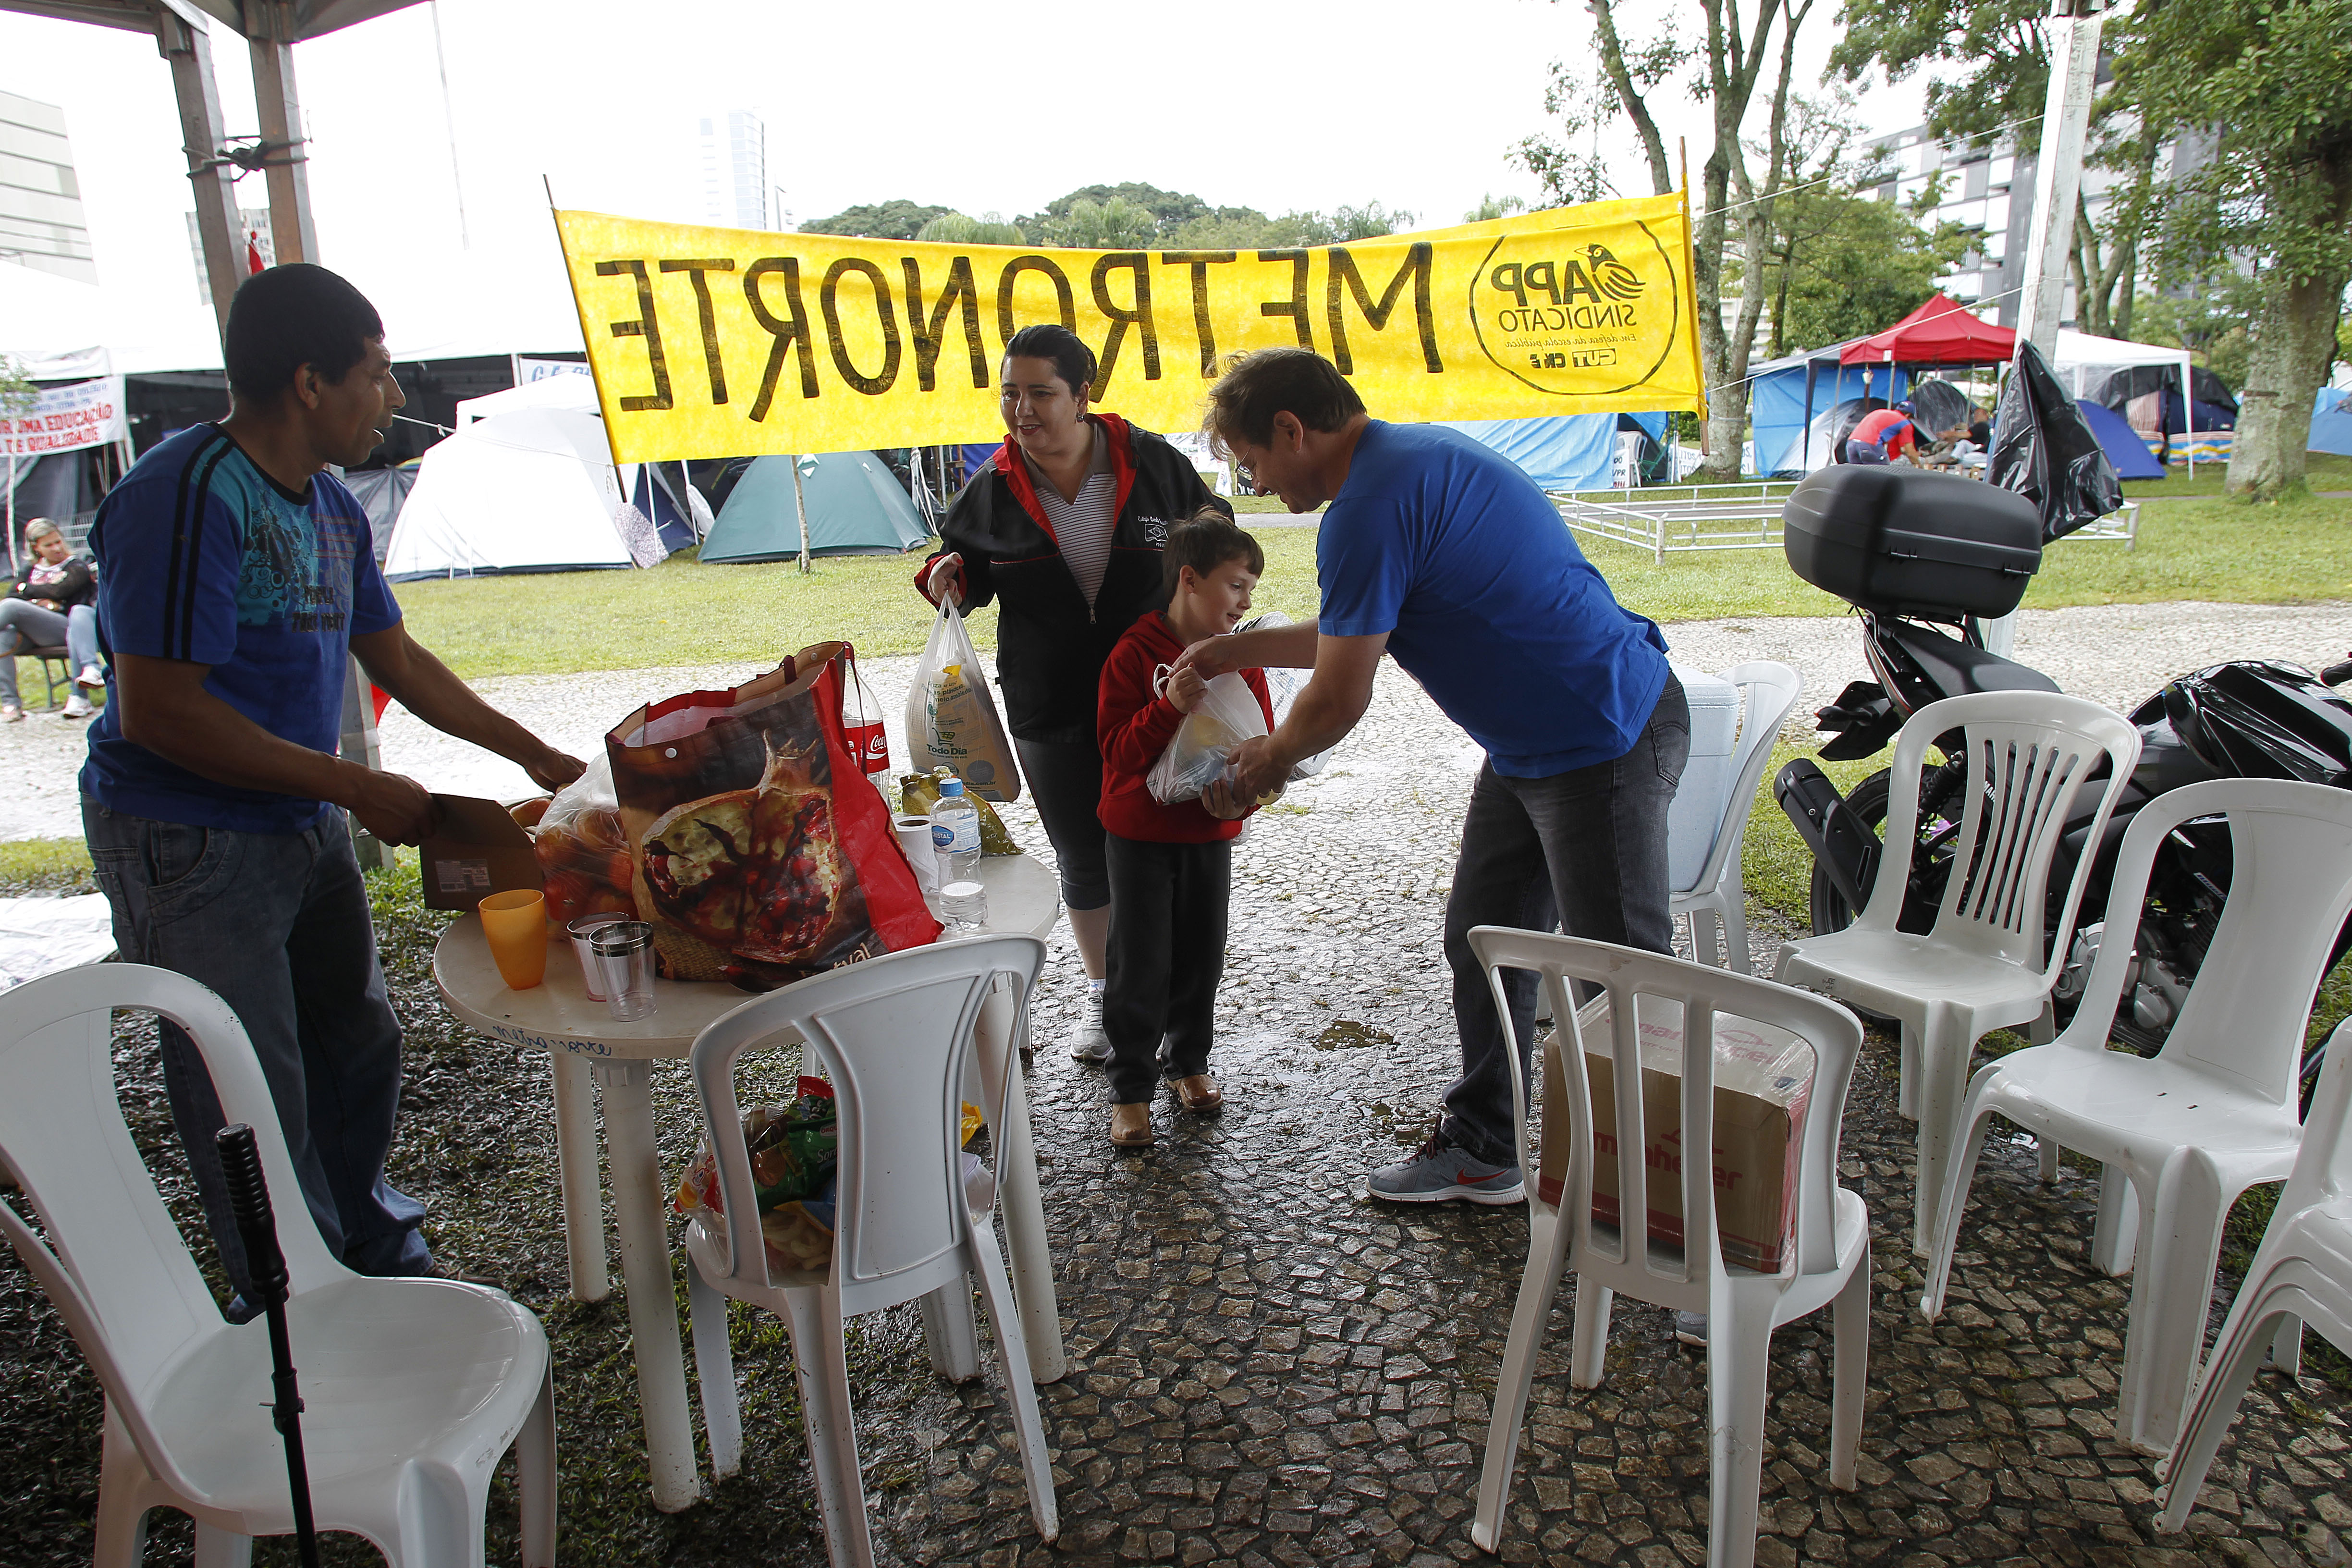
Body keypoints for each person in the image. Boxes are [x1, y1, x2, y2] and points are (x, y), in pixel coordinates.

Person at [79, 262, 586, 1307]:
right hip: (188, 837)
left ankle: (367, 1248)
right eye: (379, 373)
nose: (393, 399)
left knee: (357, 1037)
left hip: (300, 818)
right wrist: (355, 788)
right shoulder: (180, 498)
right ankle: (293, 1303)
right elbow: (159, 712)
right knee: (245, 1077)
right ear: (310, 382)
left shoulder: (330, 508)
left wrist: (532, 755)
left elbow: (395, 658)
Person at [1179, 348, 1688, 1205]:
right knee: (1485, 939)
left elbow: (1340, 695)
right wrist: (1232, 648)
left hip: (1601, 736)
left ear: (1292, 429)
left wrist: (1265, 759)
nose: (1255, 484)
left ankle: (1687, 1226)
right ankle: (1487, 1146)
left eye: (1251, 461)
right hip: (1536, 743)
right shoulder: (1406, 464)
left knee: (1629, 981)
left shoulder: (1372, 503)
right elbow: (1354, 625)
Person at [917, 323, 1230, 1062]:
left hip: (1157, 692)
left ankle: (1177, 1011)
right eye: (1010, 394)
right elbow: (965, 571)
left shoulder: (1152, 464)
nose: (1022, 410)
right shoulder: (992, 488)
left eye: (1040, 393)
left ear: (1083, 395)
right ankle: (1106, 997)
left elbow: (1219, 540)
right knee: (1084, 855)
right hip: (1049, 701)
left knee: (1169, 849)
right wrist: (944, 577)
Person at [1094, 511, 1275, 1149]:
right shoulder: (1135, 653)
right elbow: (1117, 753)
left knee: (1203, 956)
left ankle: (1190, 1063)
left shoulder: (1244, 660)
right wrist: (1166, 706)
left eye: (1252, 587)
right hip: (1140, 837)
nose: (1246, 600)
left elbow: (1259, 754)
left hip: (1207, 838)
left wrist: (1240, 805)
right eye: (1235, 584)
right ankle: (1131, 1087)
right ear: (1190, 581)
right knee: (1139, 962)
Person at [0, 518, 102, 720]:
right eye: (49, 545)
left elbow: (60, 590)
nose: (57, 548)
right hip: (37, 632)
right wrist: (42, 602)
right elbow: (15, 593)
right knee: (4, 636)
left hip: (69, 628)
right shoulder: (30, 570)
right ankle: (10, 703)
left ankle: (80, 695)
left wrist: (27, 591)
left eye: (58, 542)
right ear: (36, 548)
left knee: (12, 607)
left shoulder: (76, 566)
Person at [1847, 402, 1920, 466]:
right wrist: (1918, 464)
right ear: (1908, 415)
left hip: (1851, 444)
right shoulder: (1905, 422)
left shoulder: (1880, 412)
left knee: (1858, 476)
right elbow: (1909, 451)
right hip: (1870, 445)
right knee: (1883, 474)